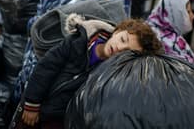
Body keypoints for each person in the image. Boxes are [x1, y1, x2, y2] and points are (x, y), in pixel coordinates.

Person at [20, 15, 163, 128]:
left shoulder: (110, 76)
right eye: (123, 39)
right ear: (117, 31)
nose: (119, 48)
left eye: (127, 52)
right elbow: (46, 66)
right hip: (35, 103)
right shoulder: (78, 42)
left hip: (58, 118)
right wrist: (32, 103)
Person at [146, 0, 194, 66]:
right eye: (188, 12)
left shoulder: (170, 34)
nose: (193, 16)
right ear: (175, 14)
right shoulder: (162, 42)